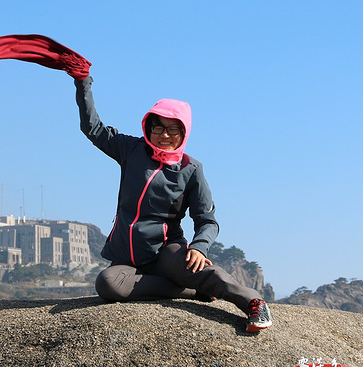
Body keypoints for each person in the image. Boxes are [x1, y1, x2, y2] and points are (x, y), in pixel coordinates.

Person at [74, 76, 272, 332]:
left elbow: (207, 220)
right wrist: (83, 85)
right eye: (158, 128)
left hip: (165, 251)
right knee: (107, 284)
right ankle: (190, 291)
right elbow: (93, 129)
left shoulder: (190, 169)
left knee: (198, 269)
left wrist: (199, 247)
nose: (164, 135)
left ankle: (254, 303)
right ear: (149, 127)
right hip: (127, 258)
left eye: (173, 130)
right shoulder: (131, 150)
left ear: (184, 132)